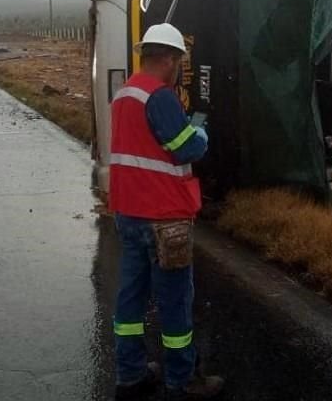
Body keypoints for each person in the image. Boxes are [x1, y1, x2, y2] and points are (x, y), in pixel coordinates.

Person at [109, 23, 224, 401]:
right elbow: (184, 149)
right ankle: (182, 381)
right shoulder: (159, 97)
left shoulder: (125, 94)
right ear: (170, 59)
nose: (178, 69)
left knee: (131, 297)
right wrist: (199, 136)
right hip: (164, 217)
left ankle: (130, 374)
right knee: (174, 301)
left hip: (129, 212)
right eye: (178, 61)